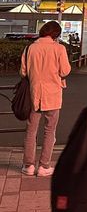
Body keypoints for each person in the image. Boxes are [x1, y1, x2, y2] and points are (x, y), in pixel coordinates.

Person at [20, 21, 71, 177]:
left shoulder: (30, 48)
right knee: (50, 130)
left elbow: (23, 72)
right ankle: (44, 166)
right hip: (53, 95)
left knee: (31, 130)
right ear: (56, 34)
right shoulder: (59, 49)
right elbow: (65, 71)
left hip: (34, 94)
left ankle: (28, 166)